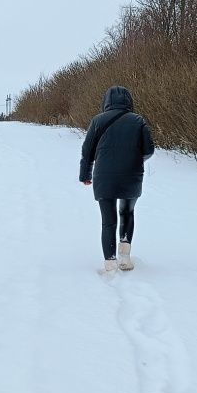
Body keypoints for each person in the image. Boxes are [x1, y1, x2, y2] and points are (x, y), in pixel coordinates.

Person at [79, 85, 155, 273]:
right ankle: (125, 258)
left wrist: (85, 174)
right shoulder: (138, 120)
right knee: (127, 212)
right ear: (129, 101)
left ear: (106, 101)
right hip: (131, 175)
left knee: (108, 220)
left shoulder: (97, 121)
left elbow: (87, 152)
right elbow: (149, 149)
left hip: (104, 176)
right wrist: (135, 160)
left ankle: (110, 263)